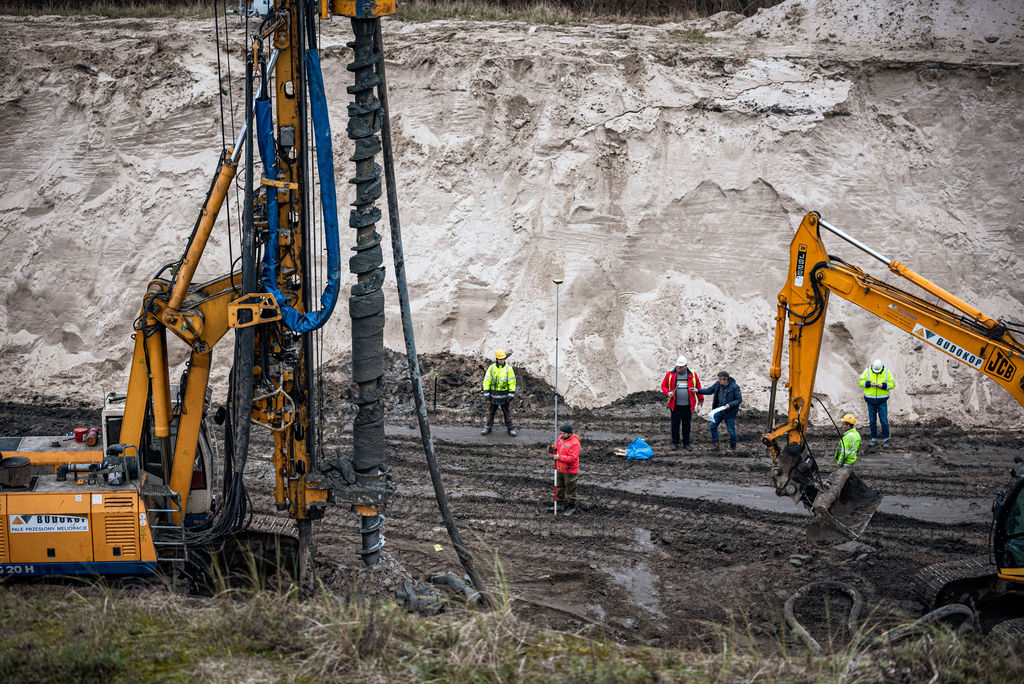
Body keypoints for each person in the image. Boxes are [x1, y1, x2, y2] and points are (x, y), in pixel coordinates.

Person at [660, 356, 703, 451]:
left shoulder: (693, 375)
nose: (678, 368)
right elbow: (663, 385)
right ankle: (675, 442)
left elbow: (698, 387)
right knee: (675, 424)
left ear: (685, 366)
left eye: (680, 367)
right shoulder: (670, 374)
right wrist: (668, 392)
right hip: (675, 405)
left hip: (688, 405)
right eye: (677, 366)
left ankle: (686, 442)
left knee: (686, 424)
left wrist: (700, 401)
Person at [696, 371, 742, 450]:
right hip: (719, 411)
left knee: (731, 430)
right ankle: (715, 443)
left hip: (730, 413)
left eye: (720, 380)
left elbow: (739, 400)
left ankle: (733, 445)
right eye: (719, 379)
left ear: (725, 379)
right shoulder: (718, 385)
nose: (719, 381)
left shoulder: (735, 387)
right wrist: (697, 390)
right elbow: (709, 390)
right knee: (712, 425)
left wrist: (730, 404)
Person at [858, 359, 896, 447]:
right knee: (872, 421)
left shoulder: (886, 372)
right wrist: (868, 383)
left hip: (882, 401)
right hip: (870, 401)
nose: (877, 373)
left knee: (884, 421)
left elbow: (893, 384)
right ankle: (874, 440)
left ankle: (886, 440)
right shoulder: (867, 371)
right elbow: (860, 381)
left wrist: (884, 386)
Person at [481, 349, 517, 436]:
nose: (502, 360)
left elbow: (512, 382)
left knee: (507, 413)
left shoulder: (508, 369)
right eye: (500, 359)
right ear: (497, 359)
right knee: (491, 413)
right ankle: (487, 427)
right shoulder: (492, 368)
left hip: (505, 396)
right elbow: (487, 381)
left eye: (503, 359)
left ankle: (511, 428)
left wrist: (511, 394)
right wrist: (486, 393)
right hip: (493, 396)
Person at [548, 423, 581, 516]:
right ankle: (559, 504)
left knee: (570, 489)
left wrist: (559, 457)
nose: (562, 434)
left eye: (564, 433)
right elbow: (555, 448)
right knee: (559, 487)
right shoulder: (560, 439)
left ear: (569, 433)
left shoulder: (575, 443)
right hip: (560, 468)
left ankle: (571, 507)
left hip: (570, 471)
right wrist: (550, 449)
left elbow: (572, 458)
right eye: (562, 432)